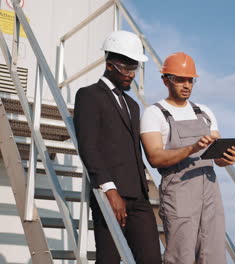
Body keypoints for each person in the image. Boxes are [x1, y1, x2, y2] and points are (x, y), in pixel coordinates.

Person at [140, 52, 235, 264]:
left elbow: (219, 159)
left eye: (190, 80)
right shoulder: (154, 114)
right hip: (179, 192)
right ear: (166, 80)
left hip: (211, 192)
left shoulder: (205, 112)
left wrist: (228, 157)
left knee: (213, 256)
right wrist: (191, 148)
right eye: (179, 79)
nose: (186, 85)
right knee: (181, 256)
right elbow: (155, 157)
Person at [73, 30, 162, 264]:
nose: (131, 75)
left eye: (135, 69)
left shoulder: (133, 106)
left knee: (152, 259)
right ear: (110, 65)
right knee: (109, 260)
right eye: (127, 69)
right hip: (110, 195)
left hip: (139, 197)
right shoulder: (88, 95)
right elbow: (88, 146)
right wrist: (110, 190)